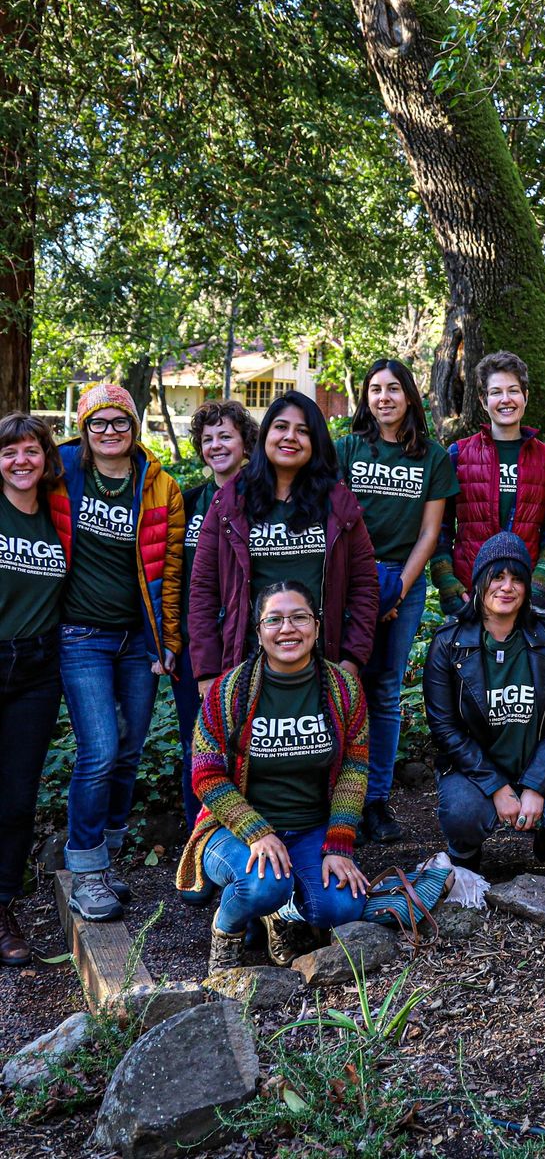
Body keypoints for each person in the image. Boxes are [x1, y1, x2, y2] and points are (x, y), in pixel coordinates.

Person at [175, 580, 369, 974]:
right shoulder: (230, 691)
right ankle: (227, 930)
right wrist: (258, 833)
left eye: (299, 617)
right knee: (265, 885)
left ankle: (281, 916)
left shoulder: (343, 688)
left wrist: (339, 843)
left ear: (316, 626)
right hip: (231, 832)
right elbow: (206, 774)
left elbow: (354, 767)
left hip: (310, 829)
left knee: (342, 906)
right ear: (258, 631)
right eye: (274, 620)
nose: (288, 629)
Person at [55, 383, 184, 922]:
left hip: (138, 642)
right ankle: (84, 869)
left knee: (129, 752)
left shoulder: (161, 488)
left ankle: (104, 860)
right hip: (81, 635)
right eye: (99, 423)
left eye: (121, 423)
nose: (110, 432)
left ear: (136, 428)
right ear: (84, 430)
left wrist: (168, 641)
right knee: (100, 750)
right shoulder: (60, 472)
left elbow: (170, 572)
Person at [423, 532, 545, 883]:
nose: (507, 587)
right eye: (497, 577)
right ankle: (467, 853)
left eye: (517, 578)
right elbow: (445, 728)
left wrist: (534, 786)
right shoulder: (449, 643)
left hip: (542, 758)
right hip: (476, 766)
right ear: (478, 584)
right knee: (460, 813)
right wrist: (497, 787)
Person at [337, 360, 458, 844]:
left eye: (392, 389)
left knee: (384, 692)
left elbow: (431, 532)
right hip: (348, 579)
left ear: (410, 396)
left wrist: (399, 589)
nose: (383, 397)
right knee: (343, 687)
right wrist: (365, 591)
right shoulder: (347, 448)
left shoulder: (432, 456)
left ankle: (375, 802)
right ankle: (336, 800)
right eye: (374, 389)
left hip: (401, 584)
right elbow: (336, 520)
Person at [189, 391, 378, 690]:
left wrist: (351, 660)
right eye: (281, 427)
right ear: (265, 435)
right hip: (246, 664)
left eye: (302, 431)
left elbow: (365, 587)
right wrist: (208, 672)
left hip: (322, 665)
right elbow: (203, 590)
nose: (290, 436)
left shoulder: (339, 505)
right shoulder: (229, 503)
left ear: (315, 442)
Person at [0, 415, 68, 962]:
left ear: (46, 458)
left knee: (18, 799)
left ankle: (2, 908)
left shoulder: (57, 516)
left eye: (31, 451)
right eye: (9, 453)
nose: (21, 461)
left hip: (38, 670)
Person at [173, 400, 258, 831]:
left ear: (246, 442)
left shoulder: (261, 498)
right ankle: (201, 839)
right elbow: (171, 578)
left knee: (248, 744)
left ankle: (250, 837)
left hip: (247, 642)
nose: (216, 445)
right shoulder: (187, 503)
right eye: (207, 439)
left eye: (225, 435)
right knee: (199, 745)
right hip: (196, 645)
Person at [436, 352, 545, 615]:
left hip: (523, 589)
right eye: (496, 392)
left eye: (513, 391)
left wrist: (540, 582)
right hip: (468, 590)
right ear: (483, 401)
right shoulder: (458, 455)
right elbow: (440, 525)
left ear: (525, 397)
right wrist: (446, 581)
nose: (506, 400)